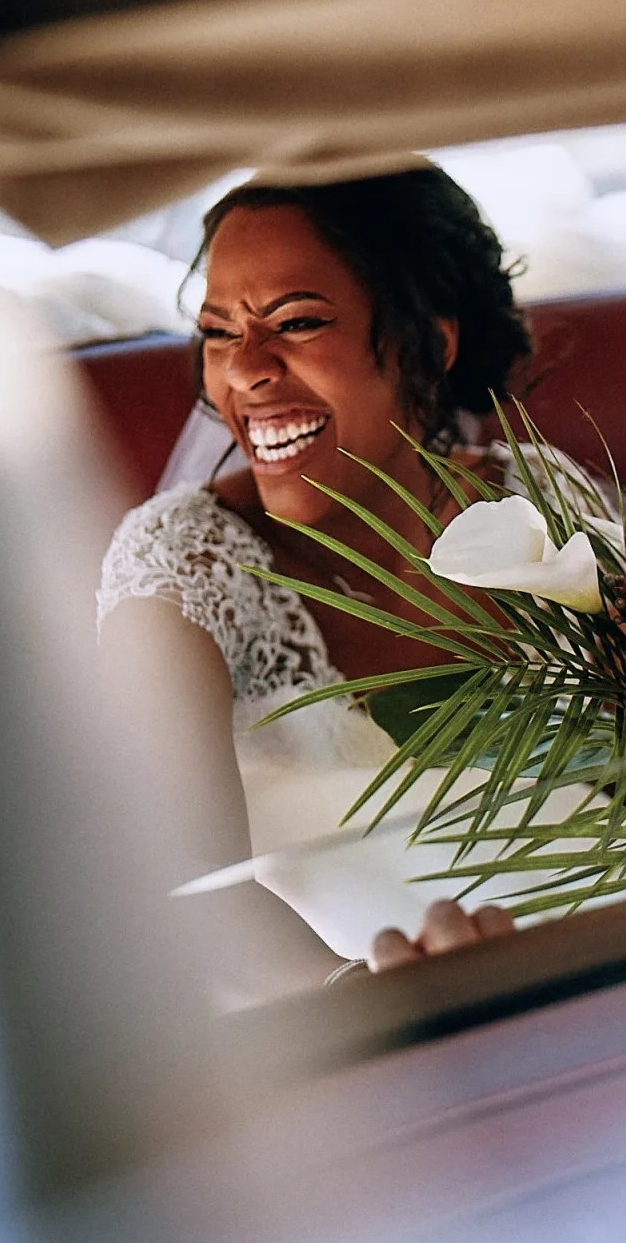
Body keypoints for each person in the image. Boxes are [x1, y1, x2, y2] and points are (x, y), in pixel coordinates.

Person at [96, 166, 549, 995]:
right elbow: (176, 891)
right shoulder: (182, 567)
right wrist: (395, 1010)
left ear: (428, 342)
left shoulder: (547, 509)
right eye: (219, 333)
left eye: (296, 323)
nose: (246, 372)